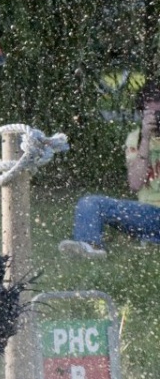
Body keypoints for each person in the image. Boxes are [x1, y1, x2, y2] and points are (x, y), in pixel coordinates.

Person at [63, 85, 160, 257]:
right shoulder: (136, 138)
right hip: (148, 213)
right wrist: (145, 139)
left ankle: (149, 239)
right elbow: (136, 184)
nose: (157, 119)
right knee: (91, 203)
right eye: (152, 114)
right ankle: (90, 246)